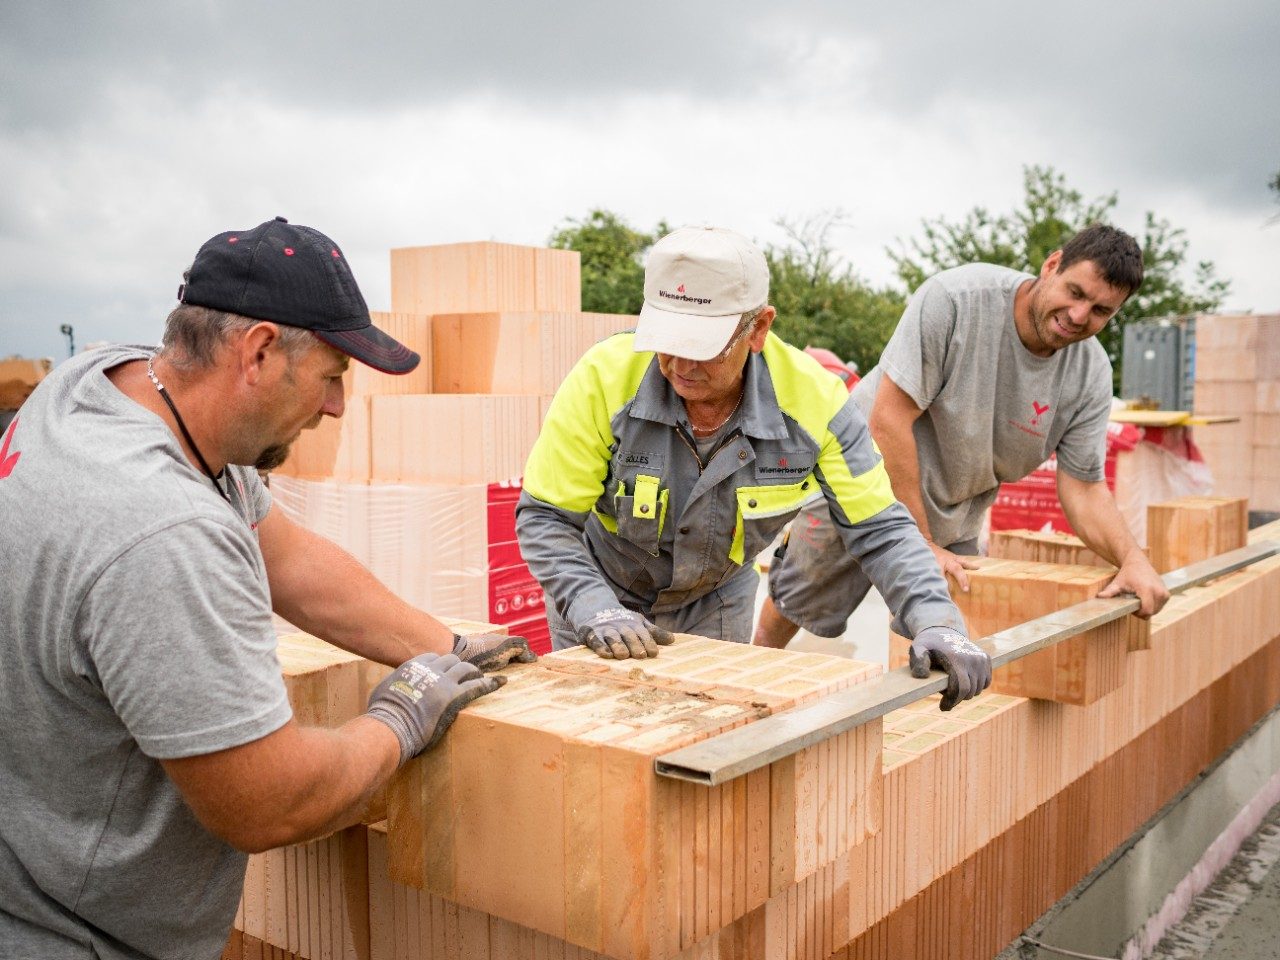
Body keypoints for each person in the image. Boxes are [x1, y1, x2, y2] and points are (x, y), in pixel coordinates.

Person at [0, 217, 535, 960]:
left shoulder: (104, 386)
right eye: (332, 376)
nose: (338, 406)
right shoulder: (163, 533)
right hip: (74, 935)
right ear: (256, 352)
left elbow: (287, 558)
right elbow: (265, 802)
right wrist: (397, 723)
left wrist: (444, 648)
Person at [515, 224, 989, 697]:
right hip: (598, 582)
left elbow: (881, 530)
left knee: (704, 737)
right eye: (667, 339)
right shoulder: (603, 378)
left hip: (715, 600)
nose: (680, 364)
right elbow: (546, 516)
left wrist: (935, 619)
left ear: (758, 328)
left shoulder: (814, 403)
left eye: (702, 347)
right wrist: (592, 605)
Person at [755, 223, 1170, 650]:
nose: (1080, 316)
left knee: (946, 638)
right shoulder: (955, 301)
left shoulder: (1090, 374)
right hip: (857, 481)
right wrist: (920, 544)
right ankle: (754, 679)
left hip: (953, 511)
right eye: (1076, 293)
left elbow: (1083, 487)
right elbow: (889, 420)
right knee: (795, 603)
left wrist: (1132, 560)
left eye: (1101, 311)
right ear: (1051, 265)